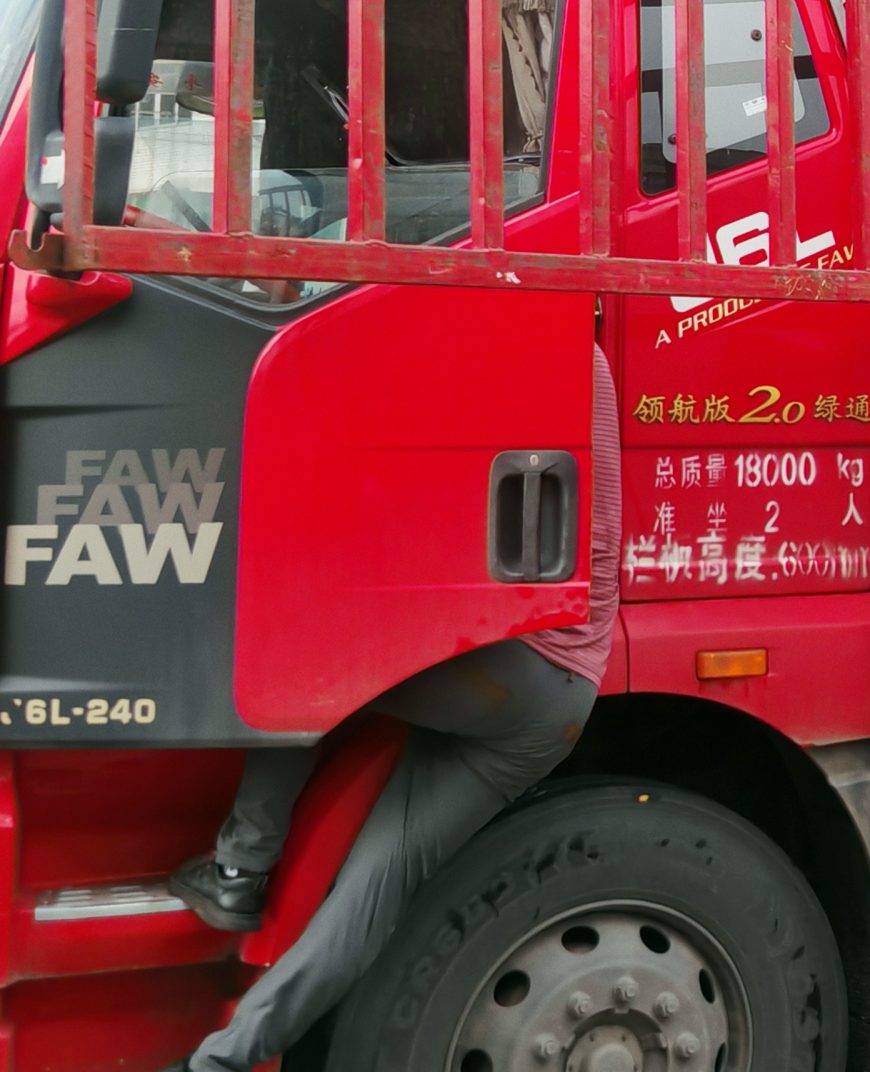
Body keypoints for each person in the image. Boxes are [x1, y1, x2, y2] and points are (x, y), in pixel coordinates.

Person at [165, 344, 625, 1072]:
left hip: (517, 661)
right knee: (375, 889)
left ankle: (239, 868)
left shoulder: (527, 343)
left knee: (297, 654)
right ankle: (221, 1061)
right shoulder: (568, 349)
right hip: (561, 701)